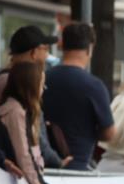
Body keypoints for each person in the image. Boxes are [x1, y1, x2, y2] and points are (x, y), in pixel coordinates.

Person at [0, 25, 68, 169]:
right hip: (14, 170)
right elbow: (34, 135)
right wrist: (59, 162)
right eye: (45, 49)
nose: (47, 56)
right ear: (34, 52)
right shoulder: (14, 84)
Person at [41, 22, 115, 170]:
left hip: (43, 165)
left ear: (62, 45)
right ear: (90, 48)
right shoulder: (95, 86)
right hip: (78, 168)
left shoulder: (43, 78)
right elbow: (109, 133)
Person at [0, 61, 62, 184]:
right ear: (30, 85)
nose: (43, 90)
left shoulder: (25, 111)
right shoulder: (15, 112)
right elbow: (24, 154)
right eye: (41, 84)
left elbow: (33, 150)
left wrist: (38, 182)